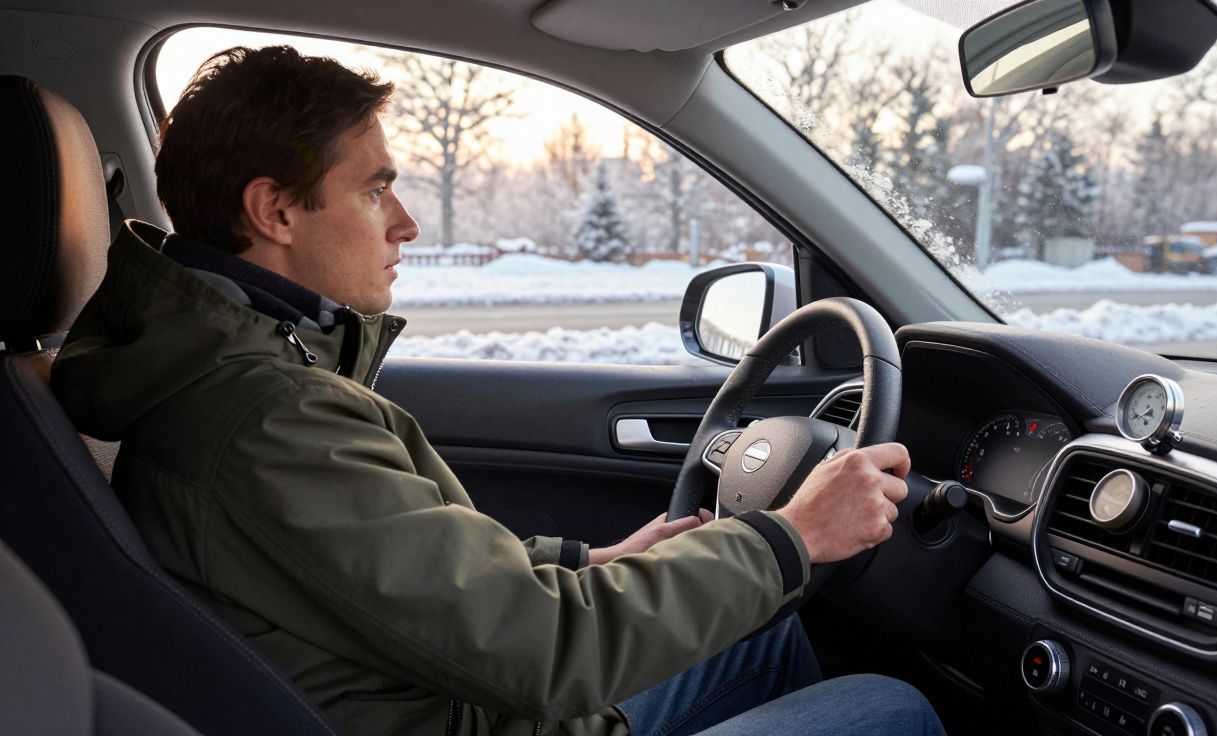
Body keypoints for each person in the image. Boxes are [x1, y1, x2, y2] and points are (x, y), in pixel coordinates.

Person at [50, 45, 944, 736]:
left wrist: (586, 564)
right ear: (274, 212)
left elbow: (412, 579)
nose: (405, 224)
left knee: (763, 633)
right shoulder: (264, 417)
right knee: (885, 706)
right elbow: (543, 652)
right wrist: (792, 536)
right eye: (375, 190)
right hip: (484, 712)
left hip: (450, 699)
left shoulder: (235, 379)